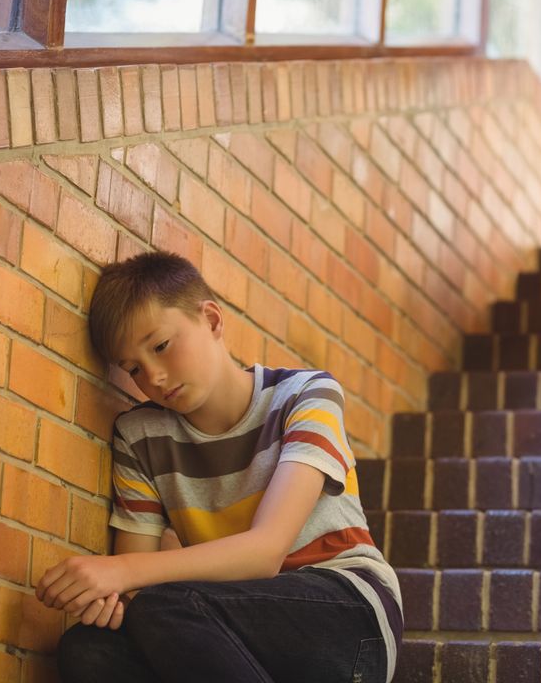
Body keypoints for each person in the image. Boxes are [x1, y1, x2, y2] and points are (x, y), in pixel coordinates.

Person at [35, 250, 403, 683]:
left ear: (211, 320)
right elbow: (136, 587)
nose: (152, 377)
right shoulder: (140, 437)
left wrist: (117, 573)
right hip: (221, 631)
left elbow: (266, 551)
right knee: (88, 648)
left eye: (161, 346)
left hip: (347, 617)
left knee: (165, 605)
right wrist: (113, 598)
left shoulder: (306, 395)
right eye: (133, 368)